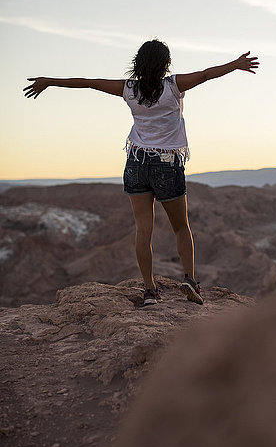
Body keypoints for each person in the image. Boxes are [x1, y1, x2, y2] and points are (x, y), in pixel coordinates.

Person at [23, 39, 259, 306]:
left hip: (136, 163)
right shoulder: (173, 86)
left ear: (138, 63)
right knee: (181, 227)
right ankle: (190, 281)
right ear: (166, 64)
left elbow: (89, 81)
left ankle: (150, 291)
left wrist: (49, 81)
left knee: (142, 230)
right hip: (166, 164)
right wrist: (236, 65)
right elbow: (206, 74)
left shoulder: (129, 89)